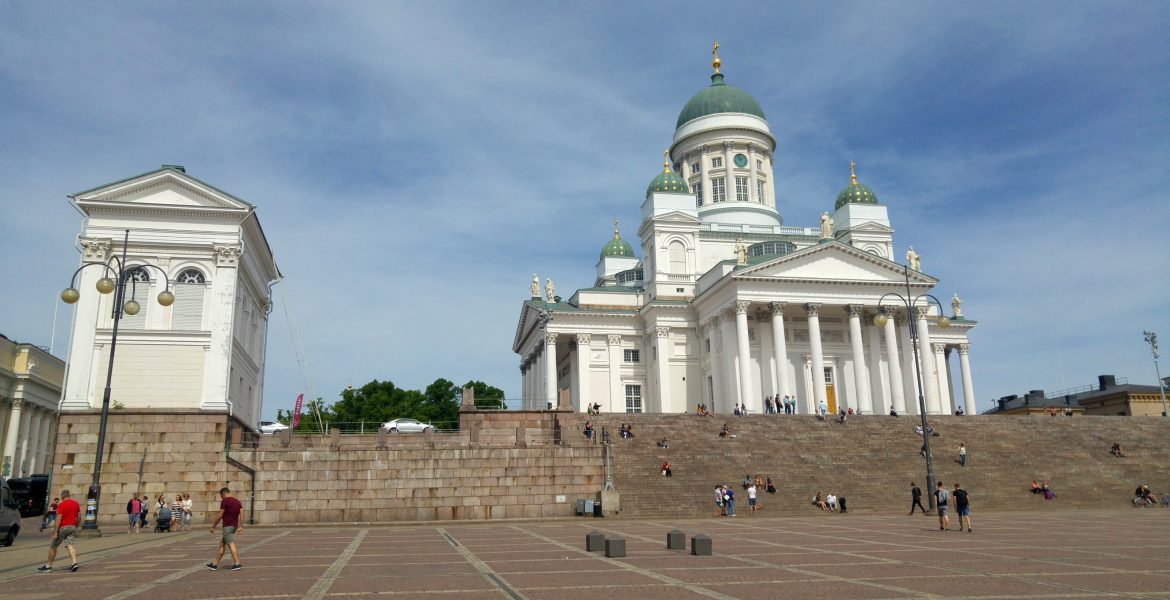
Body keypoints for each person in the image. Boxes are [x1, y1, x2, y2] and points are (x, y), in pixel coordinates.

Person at [36, 489, 80, 573]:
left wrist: (55, 532)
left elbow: (58, 518)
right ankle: (74, 563)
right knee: (70, 544)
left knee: (53, 545)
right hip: (72, 527)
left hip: (63, 527)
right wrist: (76, 526)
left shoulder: (62, 505)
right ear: (69, 495)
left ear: (62, 496)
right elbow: (79, 517)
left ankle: (48, 565)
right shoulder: (76, 504)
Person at [207, 487, 244, 571]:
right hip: (234, 526)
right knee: (222, 544)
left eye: (221, 496)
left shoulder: (225, 501)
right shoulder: (237, 501)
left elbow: (220, 514)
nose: (221, 498)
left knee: (231, 544)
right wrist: (241, 526)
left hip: (227, 526)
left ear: (223, 494)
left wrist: (213, 526)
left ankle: (237, 563)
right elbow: (242, 513)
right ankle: (214, 564)